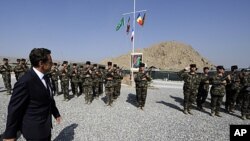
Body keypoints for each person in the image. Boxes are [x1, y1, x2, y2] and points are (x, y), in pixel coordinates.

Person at [3, 48, 61, 141]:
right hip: (34, 132)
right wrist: (10, 135)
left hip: (46, 127)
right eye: (50, 61)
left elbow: (49, 98)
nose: (52, 64)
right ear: (41, 63)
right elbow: (14, 109)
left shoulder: (45, 77)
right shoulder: (25, 82)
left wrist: (56, 113)